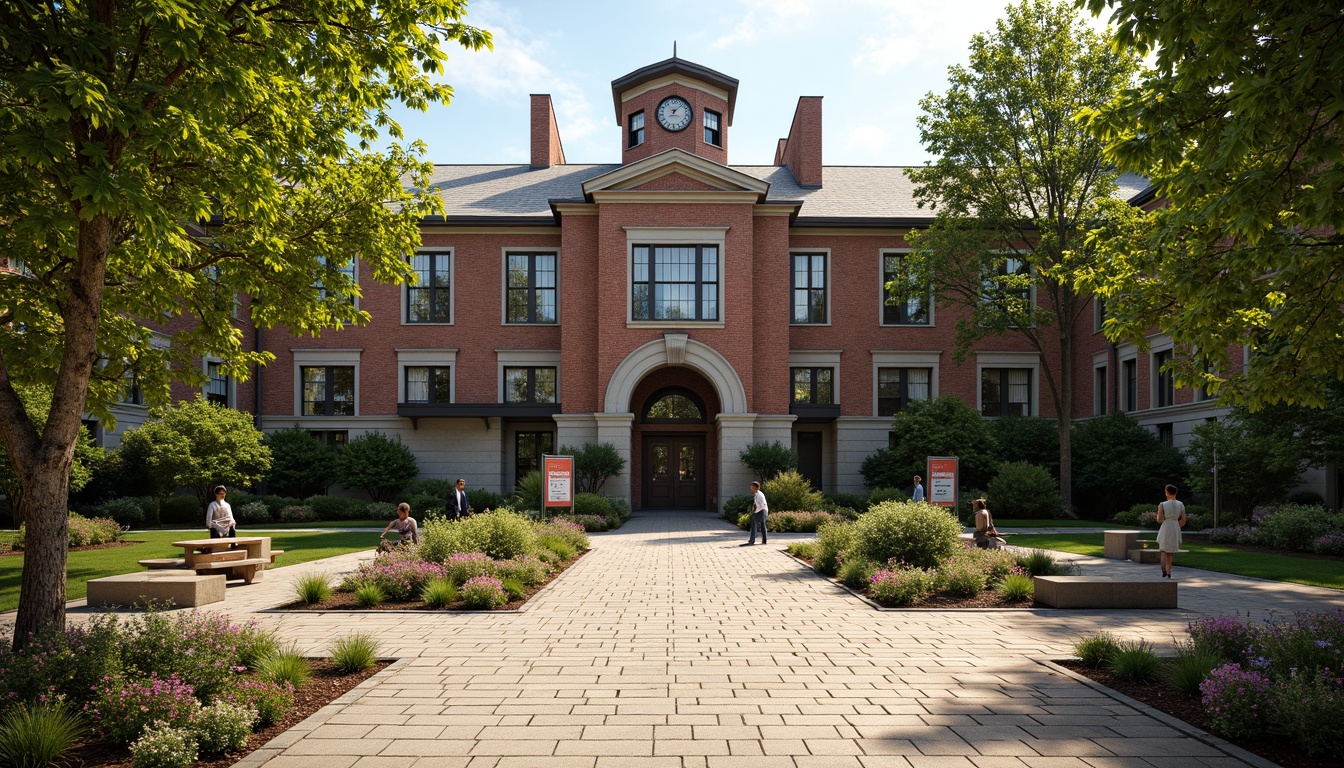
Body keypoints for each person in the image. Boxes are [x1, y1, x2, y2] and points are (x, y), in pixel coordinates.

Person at [1156, 483, 1186, 578]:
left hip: (1166, 525)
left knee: (1163, 549)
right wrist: (1177, 525)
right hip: (1175, 525)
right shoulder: (1180, 504)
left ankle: (1163, 569)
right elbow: (1183, 519)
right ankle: (1169, 570)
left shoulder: (1163, 504)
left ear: (1167, 493)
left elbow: (1159, 520)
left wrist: (1159, 517)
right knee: (1171, 550)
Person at [741, 480, 768, 546]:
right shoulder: (756, 494)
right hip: (760, 510)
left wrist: (757, 508)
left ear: (755, 487)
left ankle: (752, 540)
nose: (751, 487)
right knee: (762, 525)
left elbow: (763, 504)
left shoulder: (760, 495)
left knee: (754, 522)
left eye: (752, 486)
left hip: (762, 510)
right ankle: (764, 541)